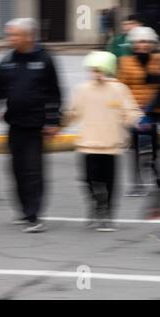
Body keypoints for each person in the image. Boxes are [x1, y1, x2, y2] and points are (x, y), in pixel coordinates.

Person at [0, 18, 62, 233]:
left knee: (33, 171)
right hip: (15, 125)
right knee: (16, 170)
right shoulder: (7, 60)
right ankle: (24, 211)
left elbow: (54, 93)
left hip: (36, 126)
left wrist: (53, 121)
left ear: (28, 36)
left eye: (14, 35)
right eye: (9, 35)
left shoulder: (45, 59)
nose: (10, 39)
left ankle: (34, 215)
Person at [62, 51, 143, 232]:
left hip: (111, 144)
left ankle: (108, 215)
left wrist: (138, 121)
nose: (96, 73)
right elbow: (72, 113)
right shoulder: (82, 90)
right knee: (88, 180)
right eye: (93, 69)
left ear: (108, 69)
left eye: (99, 69)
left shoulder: (119, 89)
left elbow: (130, 111)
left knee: (110, 182)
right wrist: (57, 124)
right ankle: (96, 207)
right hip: (88, 143)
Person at [117, 26, 160, 196]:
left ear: (152, 43)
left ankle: (156, 179)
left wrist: (149, 106)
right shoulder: (125, 62)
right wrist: (130, 107)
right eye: (140, 42)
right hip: (133, 110)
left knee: (153, 148)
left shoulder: (157, 60)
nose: (143, 45)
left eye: (147, 42)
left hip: (153, 110)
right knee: (135, 148)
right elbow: (121, 86)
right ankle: (137, 184)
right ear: (134, 44)